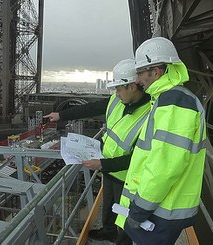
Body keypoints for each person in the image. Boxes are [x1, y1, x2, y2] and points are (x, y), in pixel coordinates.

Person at [44, 58, 150, 243]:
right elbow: (91, 108)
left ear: (132, 86)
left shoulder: (150, 113)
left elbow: (140, 156)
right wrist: (61, 115)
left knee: (125, 214)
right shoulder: (118, 101)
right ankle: (108, 231)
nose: (116, 94)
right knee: (108, 204)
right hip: (108, 168)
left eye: (118, 89)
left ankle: (122, 240)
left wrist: (102, 163)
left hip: (127, 176)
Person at [115, 37, 207, 245]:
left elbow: (164, 166)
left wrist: (139, 211)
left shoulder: (174, 102)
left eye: (140, 73)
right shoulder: (167, 99)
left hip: (160, 210)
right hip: (161, 205)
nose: (138, 80)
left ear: (155, 71)